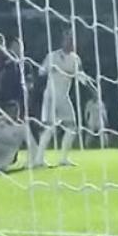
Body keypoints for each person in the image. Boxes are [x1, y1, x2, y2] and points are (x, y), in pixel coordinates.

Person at [33, 29, 94, 167]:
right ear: (63, 41)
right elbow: (41, 71)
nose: (70, 42)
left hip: (63, 97)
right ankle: (39, 159)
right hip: (51, 96)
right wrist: (51, 70)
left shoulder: (75, 59)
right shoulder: (52, 56)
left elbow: (80, 76)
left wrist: (92, 89)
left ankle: (63, 159)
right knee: (49, 128)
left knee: (72, 127)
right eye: (68, 39)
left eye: (72, 39)